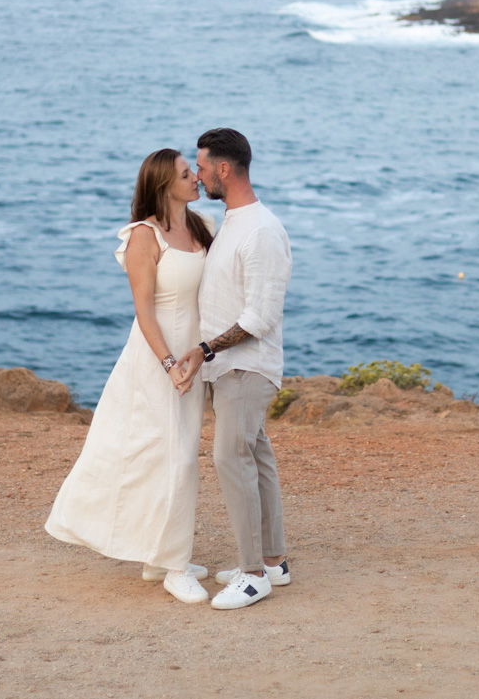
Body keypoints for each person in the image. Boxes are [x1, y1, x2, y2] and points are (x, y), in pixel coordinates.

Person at [44, 148, 216, 604]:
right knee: (170, 458)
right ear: (163, 185)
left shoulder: (200, 225)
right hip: (156, 359)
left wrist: (200, 356)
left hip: (193, 357)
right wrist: (169, 365)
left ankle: (160, 555)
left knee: (179, 455)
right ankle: (175, 566)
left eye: (193, 171)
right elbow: (144, 311)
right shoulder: (144, 236)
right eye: (186, 174)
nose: (196, 178)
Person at [174, 128, 293, 610]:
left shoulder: (261, 230)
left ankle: (251, 575)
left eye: (202, 167)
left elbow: (259, 317)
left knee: (231, 459)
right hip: (229, 368)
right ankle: (273, 563)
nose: (198, 176)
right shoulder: (235, 221)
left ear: (224, 169)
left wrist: (205, 349)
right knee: (255, 458)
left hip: (246, 368)